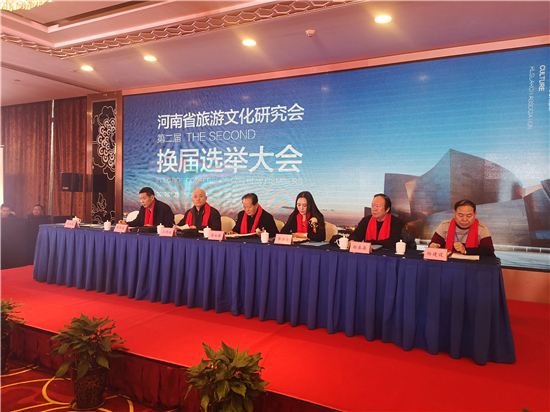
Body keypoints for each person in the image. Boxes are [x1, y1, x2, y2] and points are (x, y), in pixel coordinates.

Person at [429, 199, 495, 256]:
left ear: (475, 214)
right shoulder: (444, 226)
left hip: (473, 265)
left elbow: (489, 251)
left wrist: (465, 250)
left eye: (469, 216)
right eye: (460, 215)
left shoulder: (482, 228)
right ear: (454, 213)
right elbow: (434, 244)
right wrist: (433, 246)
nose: (464, 219)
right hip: (449, 263)